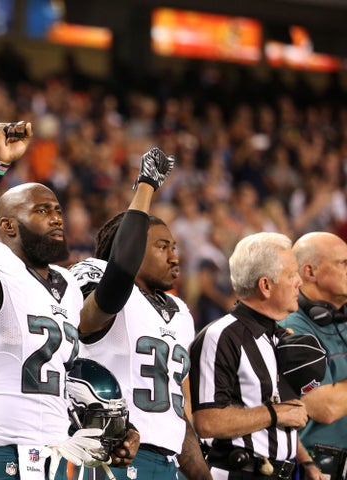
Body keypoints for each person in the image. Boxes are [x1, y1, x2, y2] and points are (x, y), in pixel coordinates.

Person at [0, 121, 152, 480]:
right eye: (41, 211)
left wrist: (121, 428)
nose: (57, 218)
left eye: (57, 209)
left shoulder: (67, 285)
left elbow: (105, 306)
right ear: (8, 226)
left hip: (53, 454)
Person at [71, 149, 211, 480]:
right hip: (113, 457)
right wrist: (146, 185)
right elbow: (117, 277)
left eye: (174, 248)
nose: (175, 257)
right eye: (162, 247)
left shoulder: (179, 311)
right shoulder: (95, 276)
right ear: (131, 246)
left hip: (169, 463)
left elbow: (174, 414)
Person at [189, 232, 312, 480]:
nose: (299, 281)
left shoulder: (278, 336)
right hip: (239, 472)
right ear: (265, 285)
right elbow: (207, 421)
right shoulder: (220, 336)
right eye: (291, 275)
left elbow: (282, 410)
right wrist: (274, 414)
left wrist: (306, 462)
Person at [278, 232, 347, 476]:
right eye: (343, 263)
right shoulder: (292, 327)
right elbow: (325, 408)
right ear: (310, 272)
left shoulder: (342, 320)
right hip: (316, 469)